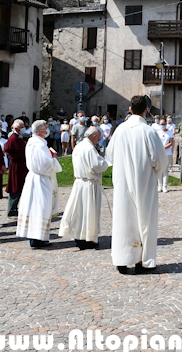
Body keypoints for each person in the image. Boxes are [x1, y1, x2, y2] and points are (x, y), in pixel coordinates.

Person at [106, 95, 168, 275]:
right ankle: (143, 261)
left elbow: (110, 154)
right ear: (146, 110)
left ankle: (122, 260)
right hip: (144, 181)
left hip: (123, 181)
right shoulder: (148, 131)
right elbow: (160, 160)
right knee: (145, 219)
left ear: (130, 109)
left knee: (123, 217)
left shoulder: (120, 130)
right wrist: (153, 173)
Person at [59, 126, 109, 250]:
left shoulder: (79, 146)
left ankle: (79, 236)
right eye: (98, 137)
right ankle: (88, 238)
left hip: (80, 182)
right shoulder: (89, 148)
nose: (99, 140)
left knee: (80, 212)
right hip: (89, 184)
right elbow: (97, 165)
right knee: (88, 212)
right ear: (93, 136)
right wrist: (104, 161)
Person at [16, 120, 62, 248]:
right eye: (46, 128)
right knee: (40, 208)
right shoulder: (39, 145)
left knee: (34, 208)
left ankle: (37, 238)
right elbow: (44, 165)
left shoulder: (33, 142)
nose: (48, 130)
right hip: (40, 180)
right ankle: (37, 239)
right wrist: (54, 159)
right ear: (41, 131)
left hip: (34, 178)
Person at [4, 119, 28, 218]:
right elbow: (9, 150)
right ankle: (11, 209)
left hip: (21, 165)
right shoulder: (13, 138)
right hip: (16, 165)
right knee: (15, 186)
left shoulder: (18, 137)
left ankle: (15, 208)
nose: (23, 129)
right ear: (17, 128)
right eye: (22, 127)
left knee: (20, 186)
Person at [157, 119, 173, 193]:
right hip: (159, 152)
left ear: (166, 124)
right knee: (159, 169)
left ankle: (165, 186)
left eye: (163, 124)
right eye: (161, 124)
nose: (162, 125)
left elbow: (171, 142)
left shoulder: (169, 132)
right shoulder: (157, 132)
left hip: (167, 152)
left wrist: (164, 147)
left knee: (165, 170)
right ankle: (159, 186)